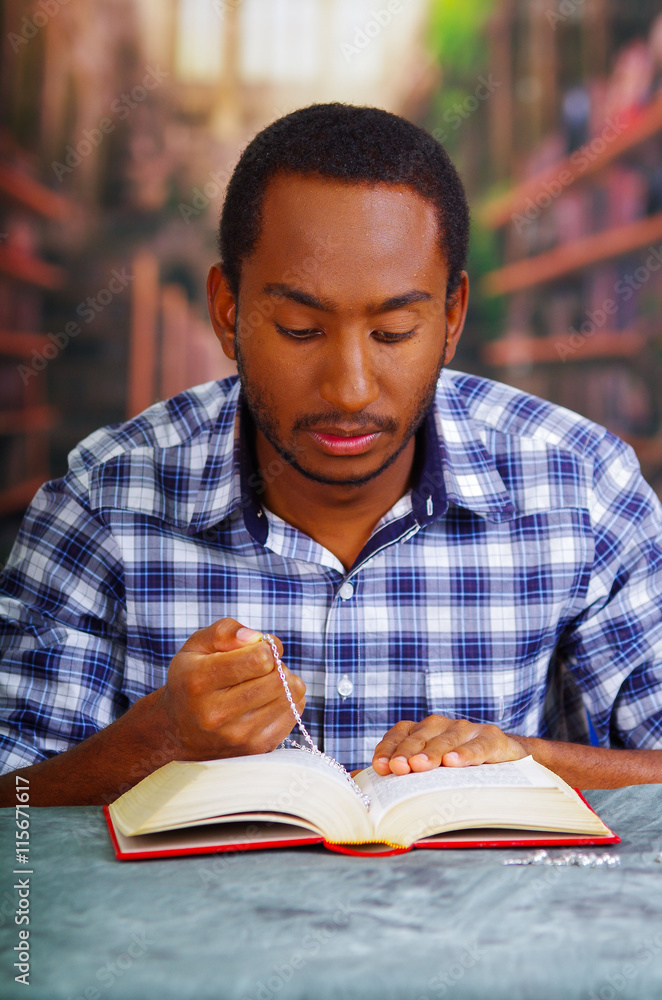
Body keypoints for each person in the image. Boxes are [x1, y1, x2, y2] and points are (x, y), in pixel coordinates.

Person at [1, 103, 661, 808]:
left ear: (451, 317)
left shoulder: (585, 489)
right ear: (228, 311)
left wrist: (522, 761)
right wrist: (157, 742)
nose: (349, 390)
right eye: (299, 328)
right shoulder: (100, 506)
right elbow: (10, 802)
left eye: (394, 331)